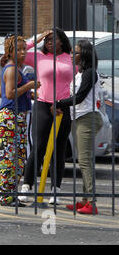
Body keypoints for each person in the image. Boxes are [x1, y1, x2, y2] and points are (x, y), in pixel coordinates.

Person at [20, 28, 73, 204]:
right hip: (43, 105)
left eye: (53, 39)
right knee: (39, 147)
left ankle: (55, 190)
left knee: (59, 150)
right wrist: (37, 38)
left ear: (62, 41)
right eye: (47, 40)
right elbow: (14, 54)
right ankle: (26, 186)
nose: (49, 42)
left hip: (63, 106)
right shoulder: (38, 56)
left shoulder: (71, 58)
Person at [55, 40, 102, 215]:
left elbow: (80, 97)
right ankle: (84, 200)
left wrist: (59, 103)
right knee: (84, 160)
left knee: (84, 161)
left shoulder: (90, 73)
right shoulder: (80, 73)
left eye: (76, 52)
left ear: (84, 55)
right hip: (80, 118)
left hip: (87, 118)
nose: (72, 55)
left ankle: (91, 202)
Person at [0, 35, 40, 206]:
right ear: (10, 51)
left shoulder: (15, 68)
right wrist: (28, 86)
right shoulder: (12, 69)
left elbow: (5, 93)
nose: (23, 52)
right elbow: (8, 94)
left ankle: (10, 194)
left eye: (25, 49)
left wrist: (27, 93)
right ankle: (6, 196)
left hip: (17, 116)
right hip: (11, 116)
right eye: (19, 49)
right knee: (10, 157)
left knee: (18, 157)